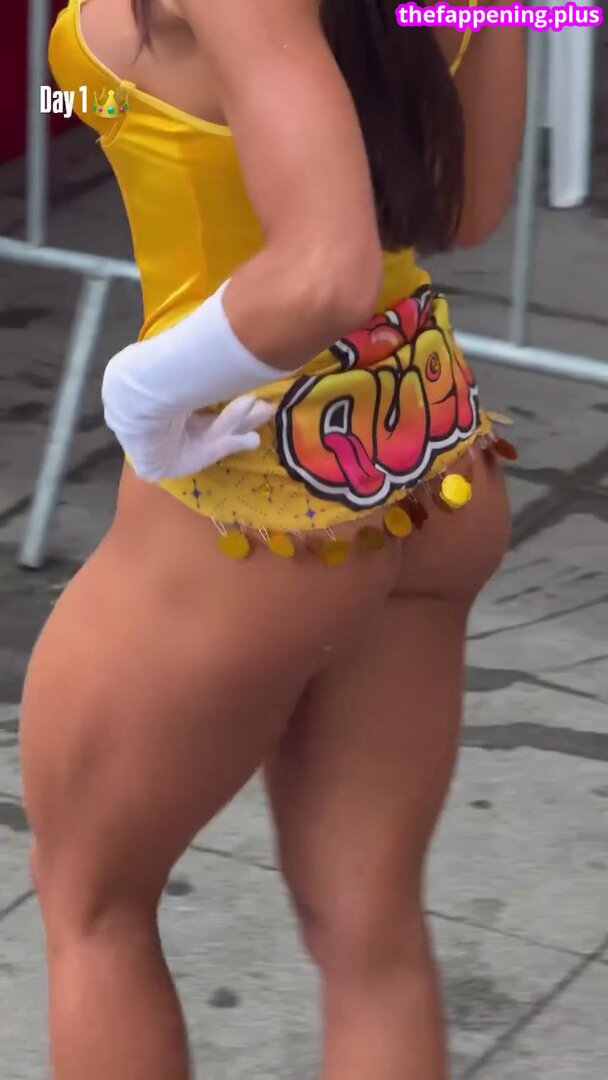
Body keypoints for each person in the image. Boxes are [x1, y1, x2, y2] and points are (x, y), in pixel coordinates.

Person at [20, 0, 525, 1076]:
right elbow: (468, 203)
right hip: (429, 450)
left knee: (94, 913)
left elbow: (323, 270)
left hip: (250, 496)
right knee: (373, 935)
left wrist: (139, 392)